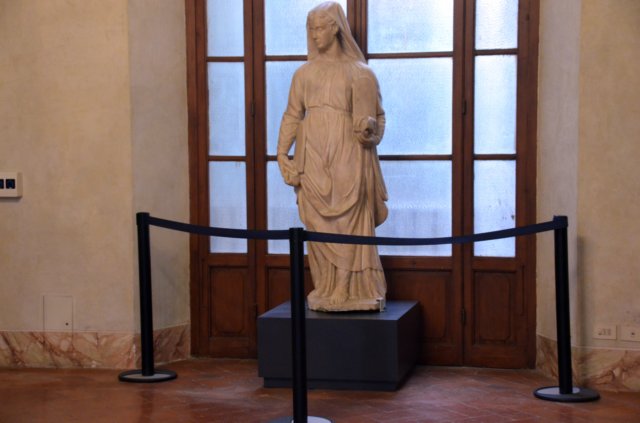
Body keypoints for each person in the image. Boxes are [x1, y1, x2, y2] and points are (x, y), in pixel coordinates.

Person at [276, 1, 388, 312]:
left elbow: (378, 117)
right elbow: (292, 114)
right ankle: (326, 284)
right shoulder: (303, 74)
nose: (314, 35)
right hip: (312, 153)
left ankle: (345, 285)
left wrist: (369, 130)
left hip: (347, 152)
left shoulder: (360, 73)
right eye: (310, 29)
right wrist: (281, 152)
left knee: (348, 219)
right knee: (317, 219)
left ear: (335, 28)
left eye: (319, 28)